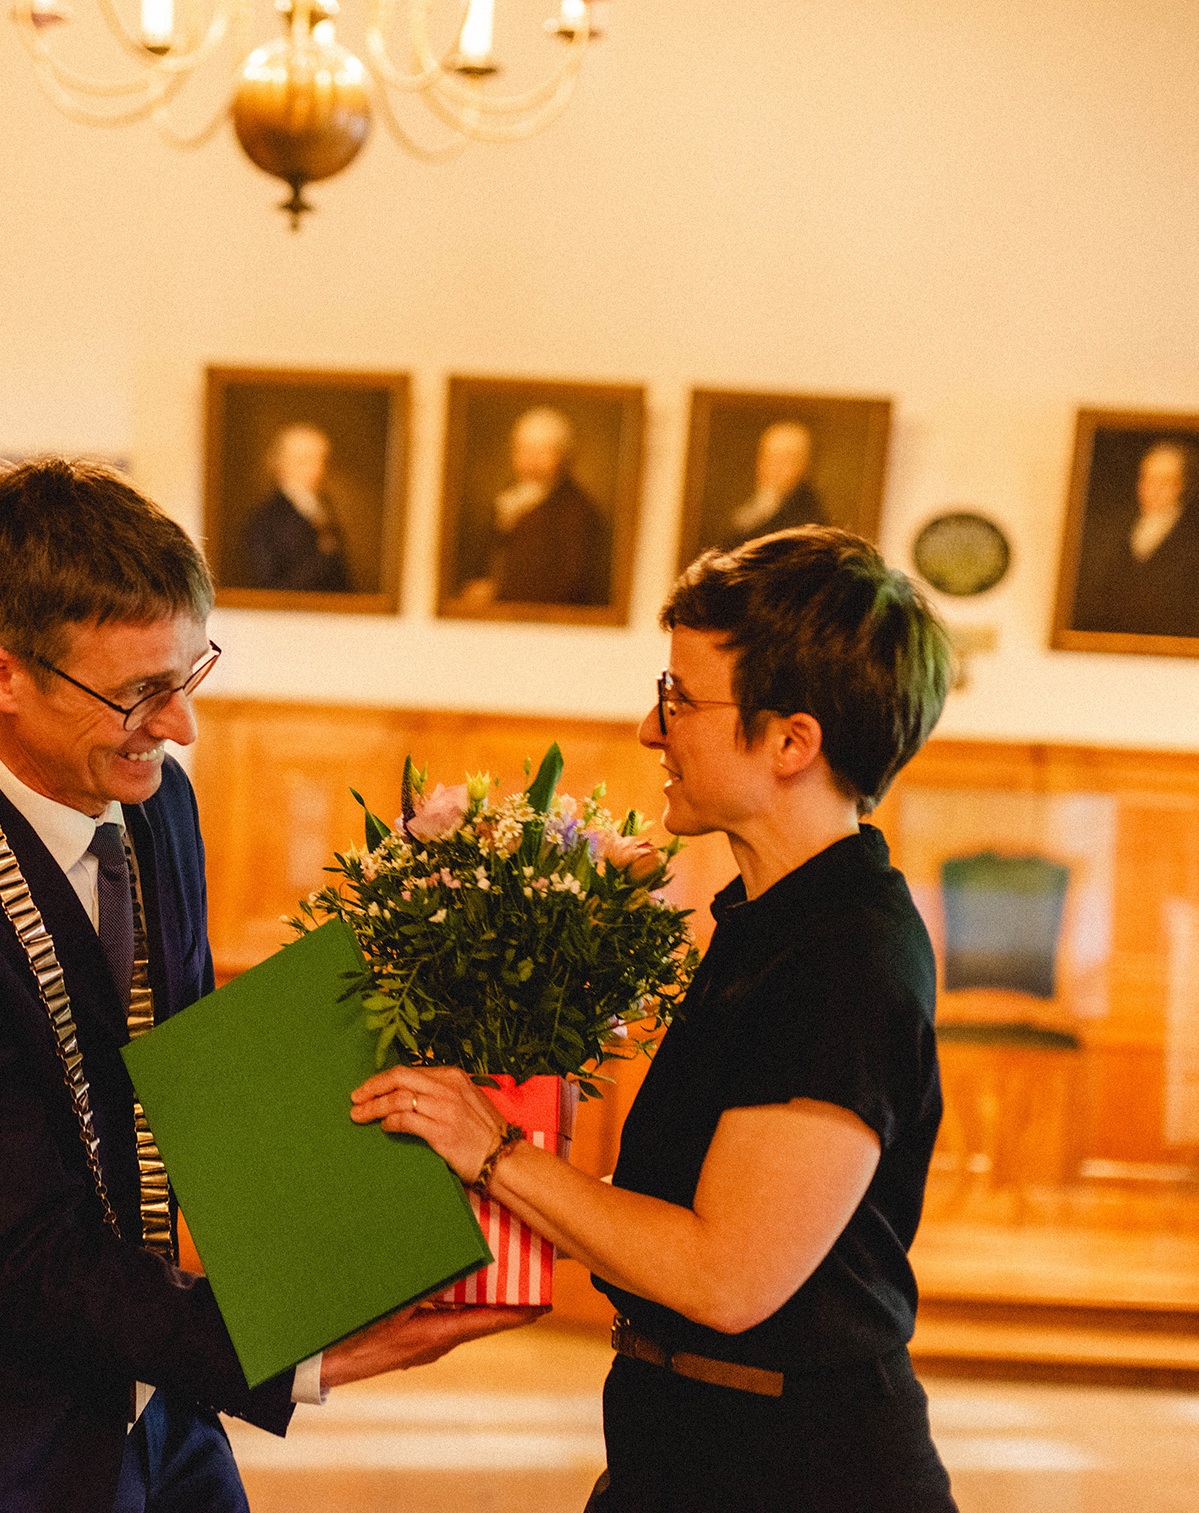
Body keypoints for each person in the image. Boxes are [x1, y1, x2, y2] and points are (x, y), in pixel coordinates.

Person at [0, 456, 528, 1513]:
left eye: (189, 674)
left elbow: (182, 1071)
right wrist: (308, 1354)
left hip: (154, 1400)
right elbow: (22, 1249)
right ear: (0, 674)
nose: (181, 725)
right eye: (141, 693)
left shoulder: (157, 806)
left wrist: (372, 1207)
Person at [353, 525, 959, 1512]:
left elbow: (727, 1275)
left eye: (680, 696)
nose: (649, 724)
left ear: (793, 740)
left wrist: (496, 1151)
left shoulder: (845, 956)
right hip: (691, 1443)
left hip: (797, 1469)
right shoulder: (772, 918)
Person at [1067, 438, 1199, 641]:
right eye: (1148, 479)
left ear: (1183, 485)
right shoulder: (1114, 528)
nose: (1154, 489)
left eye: (1165, 481)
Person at [459, 406, 611, 606]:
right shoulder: (507, 499)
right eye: (524, 451)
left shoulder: (578, 511)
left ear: (563, 457)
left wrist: (499, 592)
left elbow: (570, 585)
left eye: (542, 453)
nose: (530, 462)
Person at [239, 422, 351, 591]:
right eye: (305, 461)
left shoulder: (326, 508)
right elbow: (269, 586)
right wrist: (323, 557)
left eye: (320, 460)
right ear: (282, 465)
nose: (317, 469)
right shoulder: (266, 518)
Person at [702, 420, 827, 554]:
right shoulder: (757, 507)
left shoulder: (806, 519)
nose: (774, 468)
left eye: (785, 460)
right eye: (769, 458)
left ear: (803, 466)